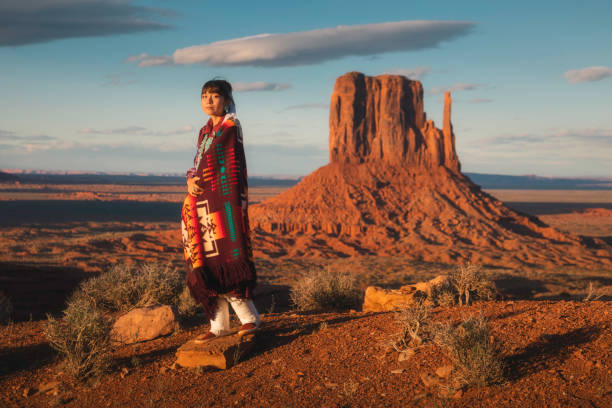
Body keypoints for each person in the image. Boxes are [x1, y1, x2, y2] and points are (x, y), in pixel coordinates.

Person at [181, 79, 260, 342]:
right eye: (204, 95)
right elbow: (198, 162)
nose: (208, 100)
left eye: (214, 96)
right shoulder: (205, 131)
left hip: (223, 205)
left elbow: (218, 161)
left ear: (226, 100)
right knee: (205, 260)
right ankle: (218, 325)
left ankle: (250, 319)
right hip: (202, 205)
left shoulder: (229, 127)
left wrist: (199, 178)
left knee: (227, 256)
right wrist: (190, 179)